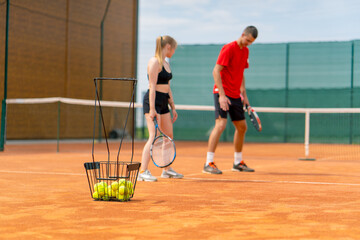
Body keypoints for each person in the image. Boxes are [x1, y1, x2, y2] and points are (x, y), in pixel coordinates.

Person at [203, 26, 258, 174]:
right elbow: (216, 70)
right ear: (242, 35)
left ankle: (238, 162)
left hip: (235, 95)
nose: (248, 43)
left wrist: (244, 94)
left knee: (242, 127)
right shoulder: (228, 48)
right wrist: (221, 95)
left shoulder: (246, 51)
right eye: (247, 40)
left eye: (251, 42)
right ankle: (208, 163)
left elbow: (241, 72)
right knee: (220, 125)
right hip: (222, 92)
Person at [138, 35, 183, 182]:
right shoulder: (154, 62)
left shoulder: (166, 63)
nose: (174, 52)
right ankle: (143, 171)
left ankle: (167, 170)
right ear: (168, 46)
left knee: (168, 137)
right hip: (153, 102)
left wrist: (173, 107)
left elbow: (168, 87)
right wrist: (152, 109)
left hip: (164, 102)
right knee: (153, 135)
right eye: (174, 48)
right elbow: (152, 86)